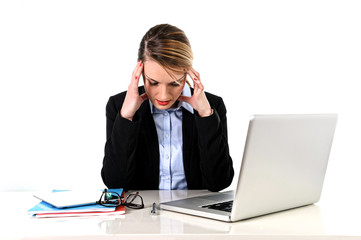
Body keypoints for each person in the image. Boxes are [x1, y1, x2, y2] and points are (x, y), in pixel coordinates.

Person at [101, 24, 234, 192]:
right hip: (142, 215)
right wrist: (126, 117)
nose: (163, 96)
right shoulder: (118, 106)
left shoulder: (212, 106)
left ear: (187, 74)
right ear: (140, 71)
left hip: (196, 216)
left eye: (175, 83)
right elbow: (115, 183)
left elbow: (219, 182)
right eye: (153, 82)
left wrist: (205, 116)